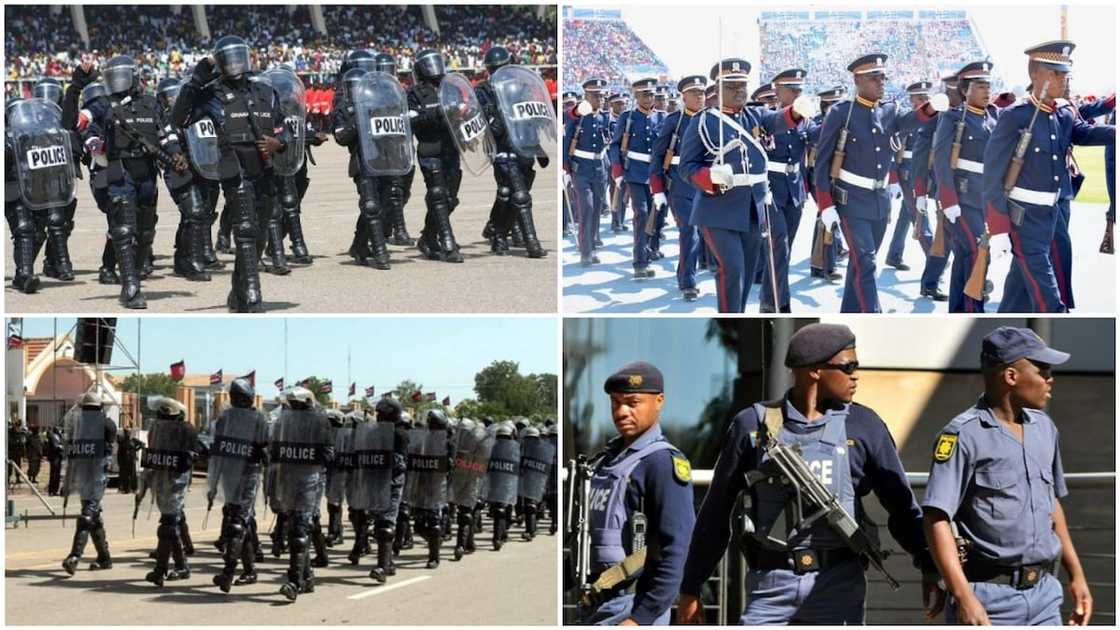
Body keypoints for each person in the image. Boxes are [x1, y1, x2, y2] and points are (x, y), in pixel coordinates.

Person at [677, 323, 942, 624]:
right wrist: (691, 586)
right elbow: (716, 512)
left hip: (838, 586)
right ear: (815, 371)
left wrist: (929, 564)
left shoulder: (864, 425)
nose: (856, 375)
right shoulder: (752, 425)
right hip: (770, 586)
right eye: (848, 366)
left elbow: (902, 507)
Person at [922, 327, 1091, 625]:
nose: (1050, 379)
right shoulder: (962, 435)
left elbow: (1051, 504)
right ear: (1011, 377)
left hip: (1045, 597)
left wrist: (1076, 575)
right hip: (988, 601)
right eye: (1043, 371)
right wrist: (964, 598)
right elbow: (936, 519)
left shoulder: (1045, 428)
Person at [982, 40, 1115, 313]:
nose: (1063, 78)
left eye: (1064, 72)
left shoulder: (1063, 113)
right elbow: (992, 175)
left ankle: (1000, 334)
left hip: (1051, 215)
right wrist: (997, 228)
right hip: (1024, 217)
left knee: (1018, 292)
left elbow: (1085, 133)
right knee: (1049, 300)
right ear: (1035, 75)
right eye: (1055, 72)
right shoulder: (1015, 116)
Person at [171, 35, 293, 312]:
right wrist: (194, 82)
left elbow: (284, 126)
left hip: (264, 170)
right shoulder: (211, 94)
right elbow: (178, 119)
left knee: (260, 234)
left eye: (240, 55)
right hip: (234, 171)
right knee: (246, 231)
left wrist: (279, 143)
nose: (237, 62)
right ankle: (252, 292)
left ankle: (237, 292)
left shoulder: (264, 91)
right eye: (230, 58)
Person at [577, 362, 694, 625]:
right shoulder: (605, 462)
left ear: (659, 401)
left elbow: (677, 548)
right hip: (594, 603)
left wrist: (640, 618)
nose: (621, 412)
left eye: (632, 402)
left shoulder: (662, 463)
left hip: (631, 607)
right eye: (615, 402)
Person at [933, 61, 999, 312]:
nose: (987, 90)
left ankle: (958, 310)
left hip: (987, 198)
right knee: (978, 252)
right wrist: (948, 201)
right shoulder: (952, 118)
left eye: (988, 85)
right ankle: (974, 312)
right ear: (965, 90)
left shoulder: (993, 115)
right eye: (981, 86)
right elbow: (941, 161)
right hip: (962, 198)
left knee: (964, 258)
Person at [475, 45, 548, 258]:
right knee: (521, 196)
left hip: (523, 148)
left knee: (508, 196)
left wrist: (538, 148)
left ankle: (497, 231)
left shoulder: (521, 87)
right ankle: (531, 242)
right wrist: (498, 112)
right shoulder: (483, 91)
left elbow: (529, 119)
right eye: (497, 69)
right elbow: (490, 126)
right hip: (502, 150)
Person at [649, 75, 707, 302]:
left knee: (701, 231)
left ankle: (687, 270)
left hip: (704, 185)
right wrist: (657, 189)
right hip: (680, 184)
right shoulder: (674, 121)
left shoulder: (711, 119)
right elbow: (658, 154)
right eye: (694, 93)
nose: (700, 97)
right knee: (689, 231)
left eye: (702, 93)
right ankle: (688, 281)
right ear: (684, 97)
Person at [210, 378, 270, 592]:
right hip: (230, 474)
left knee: (237, 523)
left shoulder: (259, 420)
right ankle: (250, 570)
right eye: (232, 396)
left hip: (248, 473)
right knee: (240, 520)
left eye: (237, 396)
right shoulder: (225, 418)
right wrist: (213, 482)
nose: (234, 400)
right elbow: (217, 451)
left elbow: (265, 452)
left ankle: (227, 573)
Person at [407, 49, 465, 263]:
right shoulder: (413, 93)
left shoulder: (451, 89)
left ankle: (428, 238)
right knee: (438, 194)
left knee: (450, 199)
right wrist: (437, 113)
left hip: (452, 148)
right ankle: (448, 243)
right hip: (430, 148)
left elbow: (462, 113)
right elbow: (411, 121)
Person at [143, 396, 197, 586]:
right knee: (171, 524)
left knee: (168, 525)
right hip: (161, 479)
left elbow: (193, 451)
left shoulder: (186, 429)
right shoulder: (155, 429)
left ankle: (160, 570)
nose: (162, 419)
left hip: (176, 481)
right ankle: (181, 566)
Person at [61, 392, 117, 575]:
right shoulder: (78, 425)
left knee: (86, 516)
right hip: (83, 475)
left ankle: (74, 556)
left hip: (97, 475)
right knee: (93, 519)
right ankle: (105, 558)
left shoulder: (106, 424)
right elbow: (71, 451)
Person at [564, 78, 611, 267]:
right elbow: (567, 139)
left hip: (599, 168)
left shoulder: (604, 117)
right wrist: (565, 169)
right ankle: (586, 251)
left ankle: (591, 245)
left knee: (597, 208)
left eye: (601, 95)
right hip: (580, 169)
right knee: (587, 207)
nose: (599, 98)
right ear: (586, 96)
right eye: (594, 95)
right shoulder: (577, 115)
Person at [116, 426, 142, 493]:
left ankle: (134, 488)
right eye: (126, 432)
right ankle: (125, 489)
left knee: (133, 474)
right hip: (124, 460)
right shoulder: (122, 441)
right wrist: (119, 460)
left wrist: (135, 450)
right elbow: (119, 451)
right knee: (124, 475)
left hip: (131, 459)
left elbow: (142, 444)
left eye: (128, 432)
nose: (127, 433)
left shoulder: (133, 440)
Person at [47, 425, 63, 495]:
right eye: (57, 428)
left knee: (57, 474)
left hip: (59, 457)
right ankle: (51, 490)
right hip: (54, 457)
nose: (59, 430)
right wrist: (60, 447)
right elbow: (55, 446)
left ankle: (55, 490)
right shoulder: (52, 436)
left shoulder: (59, 436)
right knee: (53, 474)